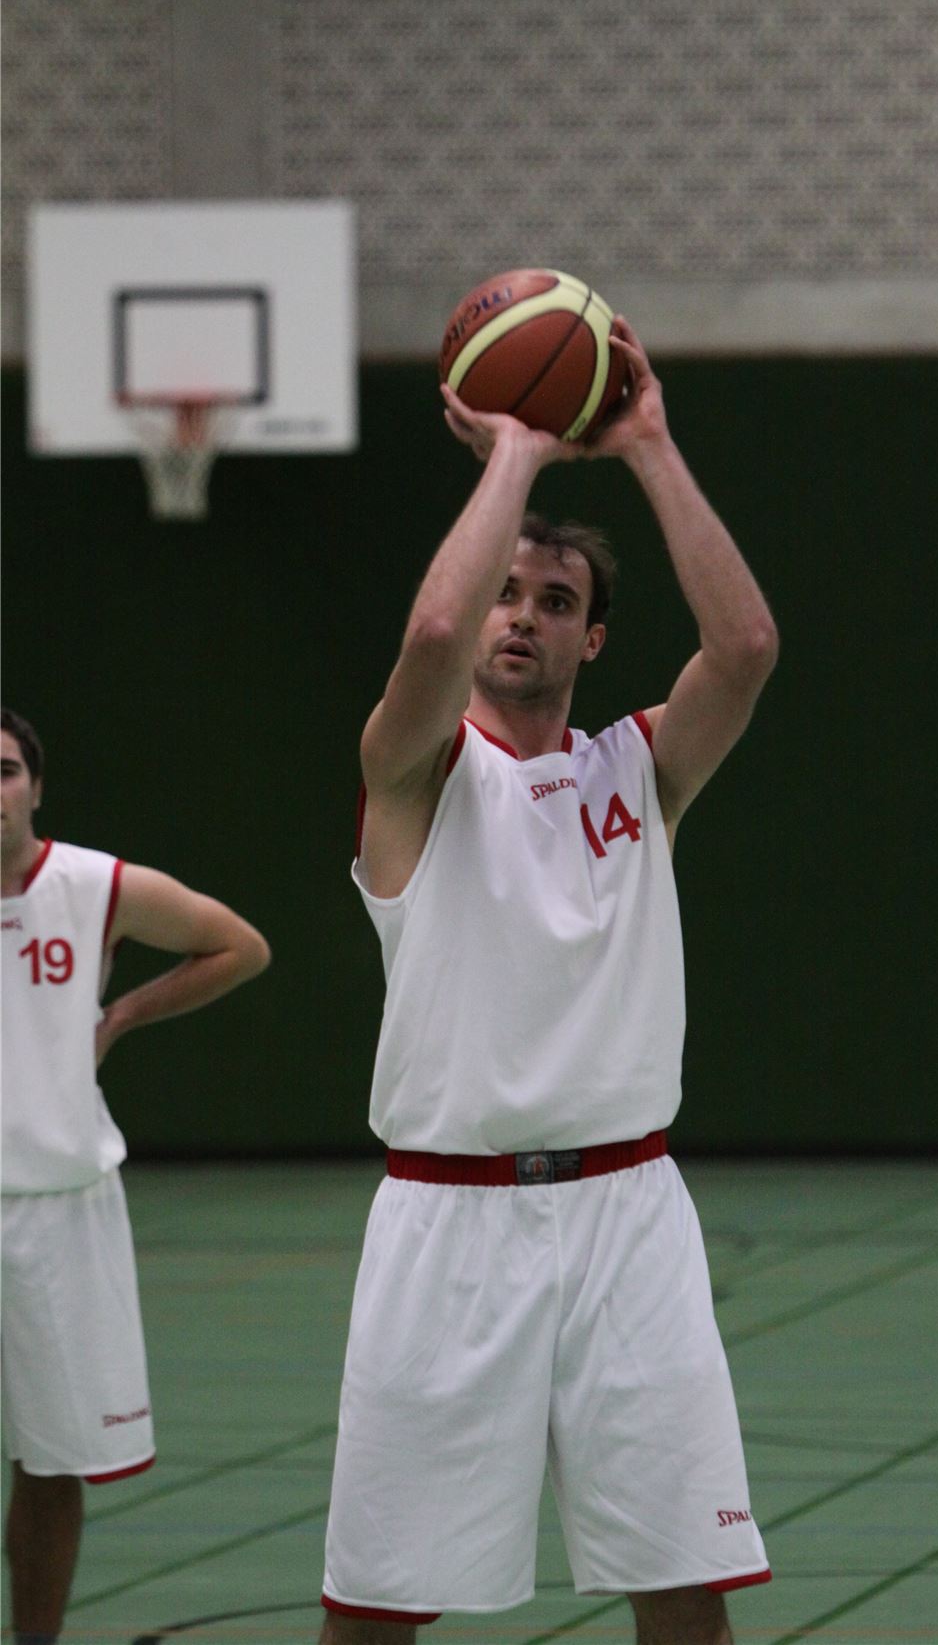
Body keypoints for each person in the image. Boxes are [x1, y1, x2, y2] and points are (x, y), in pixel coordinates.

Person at [320, 317, 779, 1645]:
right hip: (447, 1225)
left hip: (629, 1215)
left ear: (591, 641)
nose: (521, 614)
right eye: (515, 593)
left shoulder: (639, 769)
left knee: (684, 1585)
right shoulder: (417, 774)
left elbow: (745, 645)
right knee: (377, 1607)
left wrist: (647, 441)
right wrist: (515, 451)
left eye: (558, 601)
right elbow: (434, 622)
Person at [0, 708, 271, 1643]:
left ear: (35, 786)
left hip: (62, 1210)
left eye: (2, 771)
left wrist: (118, 1018)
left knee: (53, 1461)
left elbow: (239, 944)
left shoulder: (92, 885)